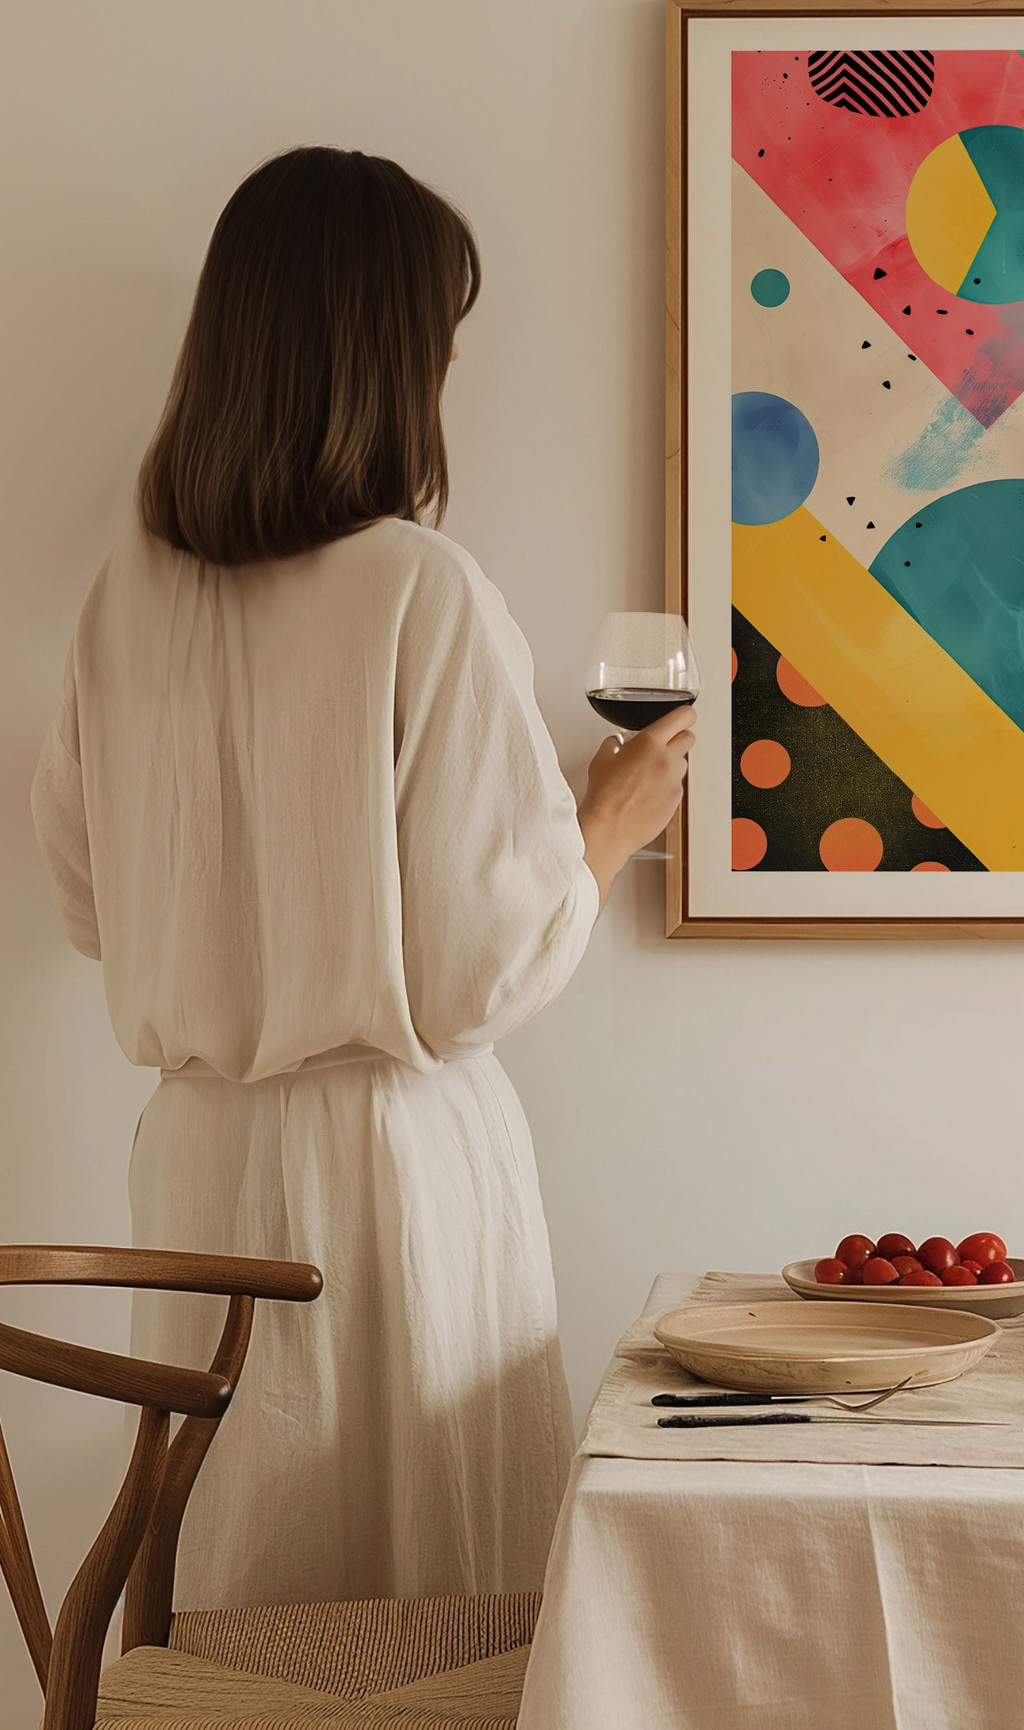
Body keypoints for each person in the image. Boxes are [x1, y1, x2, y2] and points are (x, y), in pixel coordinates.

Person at [29, 146, 690, 1607]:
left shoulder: (123, 598)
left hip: (198, 1161)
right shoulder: (417, 586)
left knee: (241, 1588)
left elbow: (87, 901)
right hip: (390, 1172)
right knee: (423, 1609)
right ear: (388, 356)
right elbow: (474, 974)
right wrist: (607, 819)